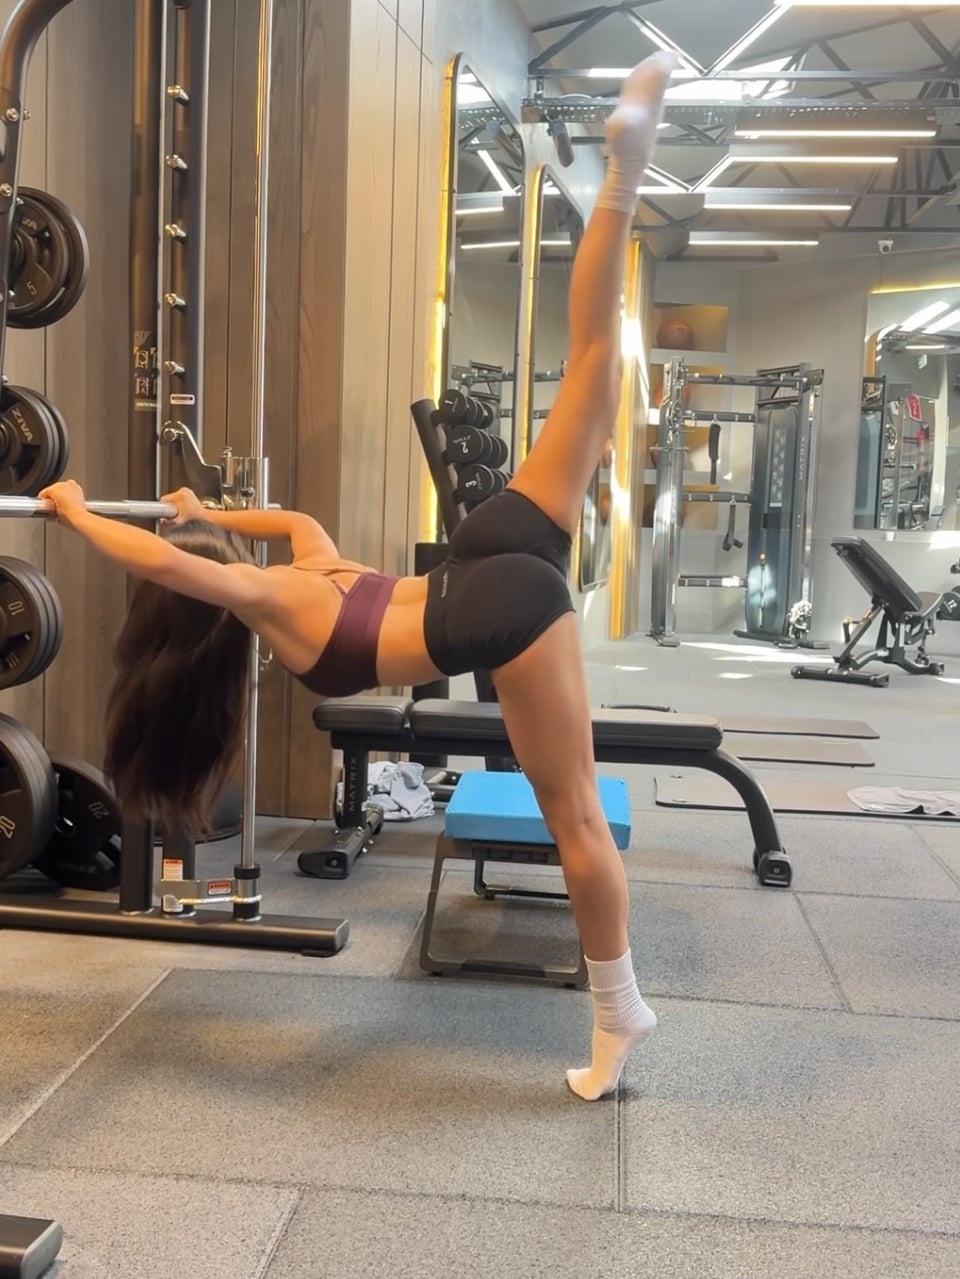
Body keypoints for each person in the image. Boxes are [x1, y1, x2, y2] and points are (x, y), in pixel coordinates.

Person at [40, 53, 676, 1101]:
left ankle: (621, 1013)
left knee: (576, 820)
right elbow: (276, 522)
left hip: (497, 608)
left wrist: (80, 514)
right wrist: (207, 512)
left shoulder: (278, 606)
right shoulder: (308, 564)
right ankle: (623, 176)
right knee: (594, 359)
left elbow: (163, 558)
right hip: (483, 550)